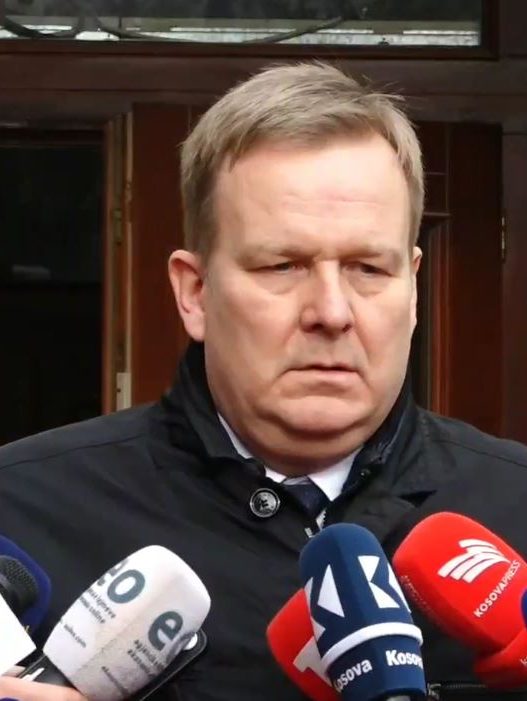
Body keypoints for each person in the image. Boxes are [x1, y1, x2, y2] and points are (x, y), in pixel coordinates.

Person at [0, 61, 527, 701]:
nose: (331, 312)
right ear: (195, 293)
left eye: (368, 268)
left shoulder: (516, 506)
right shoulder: (22, 513)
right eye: (283, 266)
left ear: (413, 289)